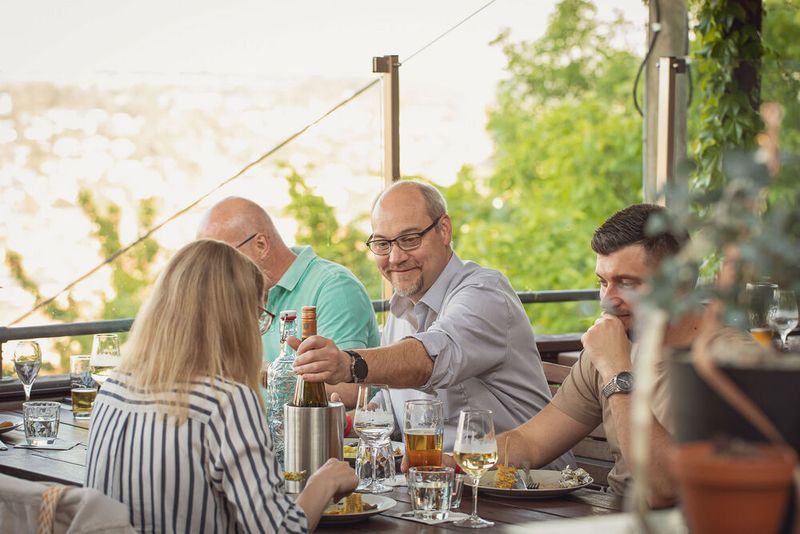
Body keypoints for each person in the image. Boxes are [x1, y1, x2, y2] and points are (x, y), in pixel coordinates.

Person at [290, 180, 573, 469]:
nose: (395, 257)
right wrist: (349, 422)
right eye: (382, 244)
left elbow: (427, 360)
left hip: (526, 491)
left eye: (410, 239)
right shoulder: (400, 311)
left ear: (444, 230)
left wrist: (348, 364)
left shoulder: (485, 292)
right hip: (445, 488)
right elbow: (392, 408)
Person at [84, 240, 357, 533]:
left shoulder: (113, 387)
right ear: (235, 319)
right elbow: (279, 530)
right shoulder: (225, 402)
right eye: (258, 315)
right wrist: (324, 481)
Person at [491, 203, 696, 508]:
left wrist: (616, 369)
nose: (607, 301)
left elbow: (664, 490)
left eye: (627, 283)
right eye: (602, 282)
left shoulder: (724, 360)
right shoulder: (614, 346)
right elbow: (531, 443)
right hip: (614, 517)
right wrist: (452, 460)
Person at [197, 196, 380, 362]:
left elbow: (345, 388)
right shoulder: (232, 296)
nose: (214, 271)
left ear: (261, 245)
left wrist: (264, 375)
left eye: (223, 257)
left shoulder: (334, 287)